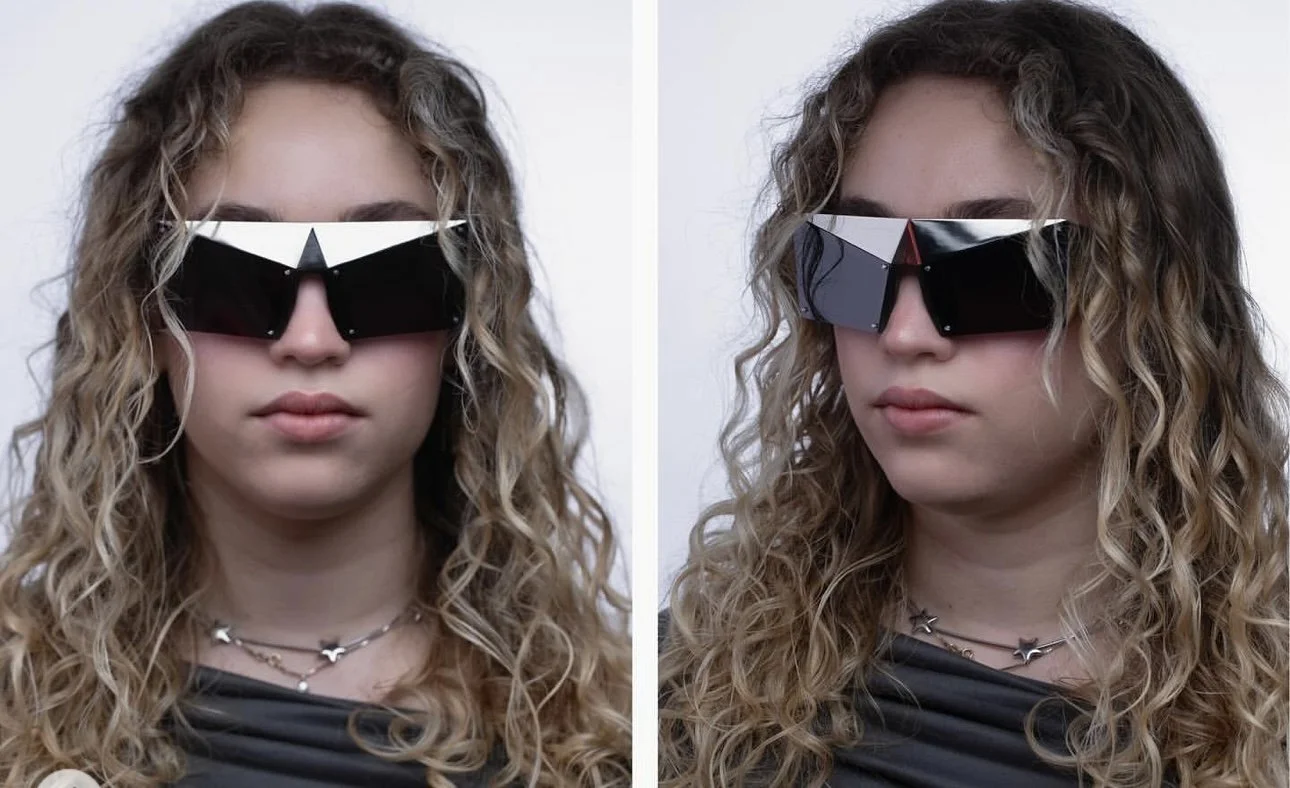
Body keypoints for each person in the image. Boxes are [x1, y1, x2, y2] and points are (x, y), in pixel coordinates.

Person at [658, 1, 1288, 786]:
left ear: (1153, 303)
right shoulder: (682, 698)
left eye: (994, 267)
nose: (904, 333)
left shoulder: (1271, 709)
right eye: (854, 258)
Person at [0, 3, 631, 786]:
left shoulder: (623, 729)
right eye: (229, 272)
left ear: (470, 315)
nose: (310, 338)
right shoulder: (12, 701)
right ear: (142, 317)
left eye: (390, 269)